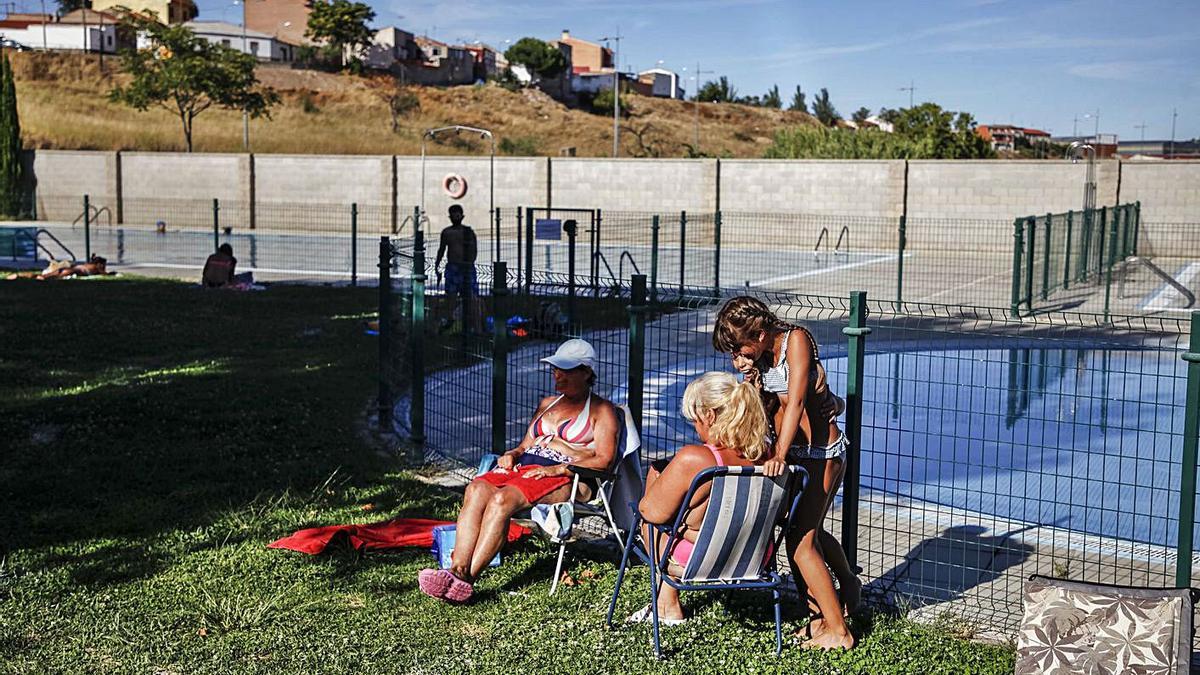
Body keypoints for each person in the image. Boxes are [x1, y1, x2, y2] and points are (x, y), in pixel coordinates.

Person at [418, 338, 619, 603]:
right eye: (555, 368)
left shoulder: (603, 410)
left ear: (586, 372)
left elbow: (605, 461)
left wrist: (559, 467)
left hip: (566, 476)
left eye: (566, 370)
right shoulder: (548, 402)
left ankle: (466, 580)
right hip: (526, 468)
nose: (557, 374)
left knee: (502, 500)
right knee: (476, 488)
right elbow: (526, 444)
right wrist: (512, 454)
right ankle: (455, 569)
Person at [713, 296, 857, 650]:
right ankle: (827, 611)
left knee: (801, 539)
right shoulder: (759, 358)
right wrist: (750, 381)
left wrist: (778, 454)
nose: (739, 355)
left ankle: (838, 630)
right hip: (795, 451)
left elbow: (794, 401)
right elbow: (765, 408)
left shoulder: (796, 340)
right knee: (808, 531)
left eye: (741, 347)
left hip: (822, 453)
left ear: (761, 333)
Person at [628, 371, 771, 625]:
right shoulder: (767, 455)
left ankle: (666, 606)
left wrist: (655, 481)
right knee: (688, 515)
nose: (695, 427)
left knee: (652, 521)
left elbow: (649, 513)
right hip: (754, 557)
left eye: (694, 419)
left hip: (700, 560)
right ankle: (665, 603)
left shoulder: (695, 458)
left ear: (709, 415)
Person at [434, 205, 480, 333]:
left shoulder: (468, 232)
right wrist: (437, 265)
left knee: (472, 298)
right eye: (453, 215)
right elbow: (442, 249)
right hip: (453, 268)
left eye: (458, 215)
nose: (456, 217)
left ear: (462, 216)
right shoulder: (447, 232)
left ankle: (477, 328)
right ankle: (450, 323)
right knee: (451, 298)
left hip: (466, 268)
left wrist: (469, 263)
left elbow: (474, 249)